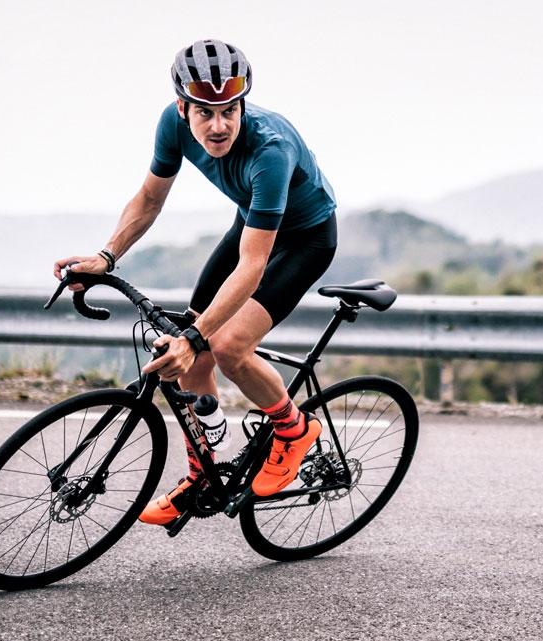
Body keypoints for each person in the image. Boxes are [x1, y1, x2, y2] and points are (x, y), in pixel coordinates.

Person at [53, 38, 338, 526]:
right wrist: (106, 256)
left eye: (230, 111)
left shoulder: (270, 150)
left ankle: (294, 430)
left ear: (243, 103)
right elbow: (149, 198)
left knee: (225, 347)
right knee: (189, 351)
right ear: (183, 107)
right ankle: (204, 474)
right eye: (205, 112)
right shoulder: (171, 123)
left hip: (305, 239)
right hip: (251, 223)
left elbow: (252, 267)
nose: (219, 125)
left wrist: (196, 337)